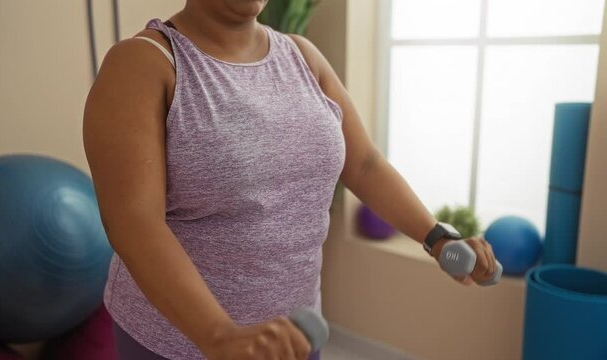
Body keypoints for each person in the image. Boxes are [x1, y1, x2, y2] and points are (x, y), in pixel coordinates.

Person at [83, 0, 498, 359]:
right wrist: (220, 336)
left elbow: (365, 163)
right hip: (180, 344)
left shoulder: (302, 55)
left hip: (295, 333)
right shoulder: (142, 64)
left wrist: (436, 236)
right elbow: (134, 223)